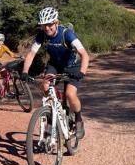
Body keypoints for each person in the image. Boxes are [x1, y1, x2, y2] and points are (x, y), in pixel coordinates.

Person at [19, 7, 90, 139]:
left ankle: (79, 120)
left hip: (73, 66)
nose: (47, 28)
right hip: (55, 65)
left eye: (50, 24)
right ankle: (52, 113)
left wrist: (81, 72)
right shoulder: (42, 35)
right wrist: (25, 71)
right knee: (46, 86)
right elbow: (31, 54)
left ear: (56, 22)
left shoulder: (67, 34)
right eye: (44, 25)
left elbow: (84, 55)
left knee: (69, 93)